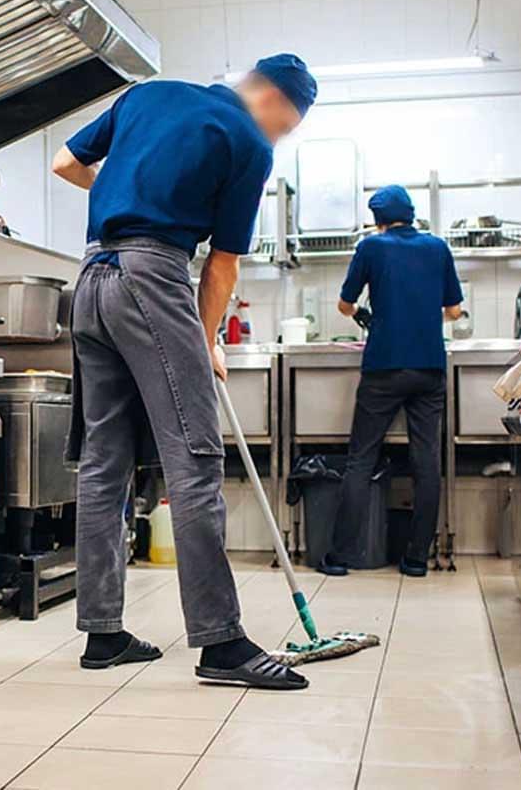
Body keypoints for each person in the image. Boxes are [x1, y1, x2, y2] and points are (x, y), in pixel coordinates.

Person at [52, 54, 317, 690]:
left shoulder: (147, 95)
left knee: (104, 463)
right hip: (153, 276)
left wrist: (127, 192)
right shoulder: (251, 142)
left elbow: (65, 162)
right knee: (195, 457)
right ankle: (221, 644)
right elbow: (220, 267)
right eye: (289, 126)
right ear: (278, 104)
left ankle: (104, 633)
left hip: (90, 279)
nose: (279, 136)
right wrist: (205, 342)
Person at [319, 185, 464, 579]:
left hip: (383, 367)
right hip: (429, 367)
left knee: (361, 459)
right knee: (426, 461)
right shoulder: (438, 248)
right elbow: (454, 311)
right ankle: (417, 559)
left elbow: (345, 304)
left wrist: (366, 313)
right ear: (411, 214)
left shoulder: (371, 247)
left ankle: (340, 557)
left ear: (380, 219)